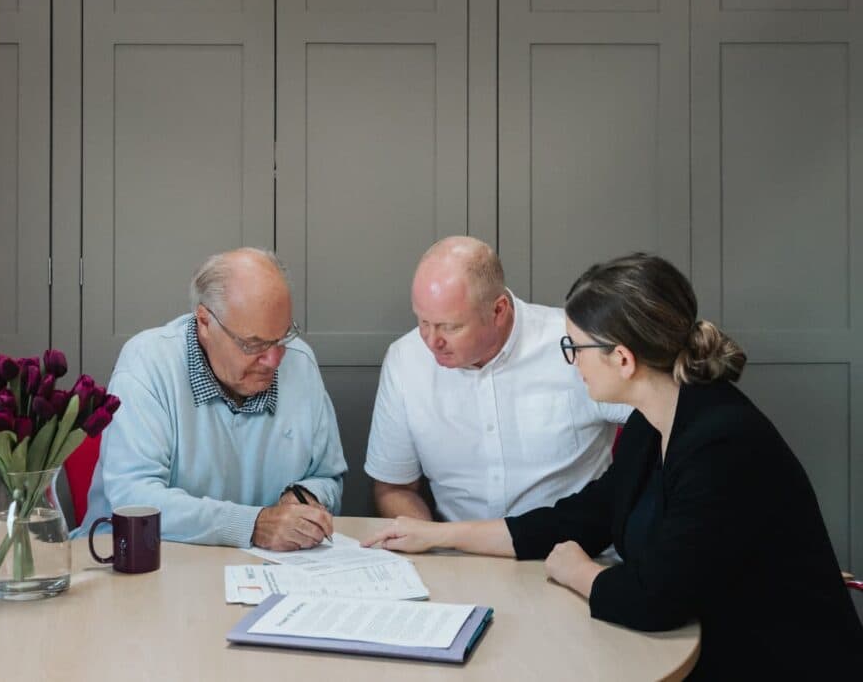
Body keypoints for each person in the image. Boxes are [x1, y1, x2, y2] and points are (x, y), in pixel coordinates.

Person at [364, 253, 863, 678]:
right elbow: (583, 516)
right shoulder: (656, 421)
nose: (571, 362)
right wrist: (440, 536)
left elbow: (656, 598)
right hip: (712, 647)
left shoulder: (721, 442)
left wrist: (578, 571)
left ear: (622, 359)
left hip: (777, 663)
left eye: (575, 348)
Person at [76, 248, 347, 550]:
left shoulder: (300, 362)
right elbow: (135, 498)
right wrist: (253, 525)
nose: (273, 359)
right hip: (139, 561)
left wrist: (302, 498)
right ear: (205, 322)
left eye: (282, 337)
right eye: (253, 343)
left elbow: (327, 475)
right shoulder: (148, 363)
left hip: (260, 569)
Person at [364, 236, 631, 522]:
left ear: (498, 311)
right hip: (456, 557)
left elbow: (665, 422)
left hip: (575, 550)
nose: (431, 341)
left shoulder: (574, 344)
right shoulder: (406, 360)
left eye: (450, 326)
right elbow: (393, 487)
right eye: (423, 322)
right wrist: (425, 540)